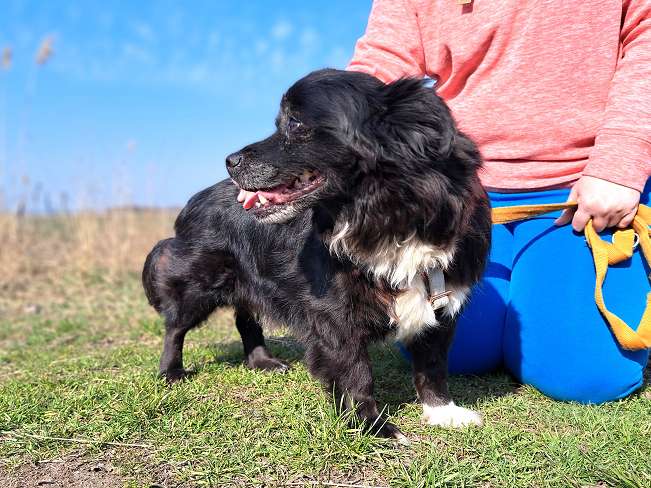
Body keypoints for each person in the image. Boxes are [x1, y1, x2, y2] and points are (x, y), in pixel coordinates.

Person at [346, 0, 651, 403]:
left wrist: (620, 163)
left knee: (585, 375)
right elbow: (381, 64)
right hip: (457, 196)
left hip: (581, 192)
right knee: (455, 351)